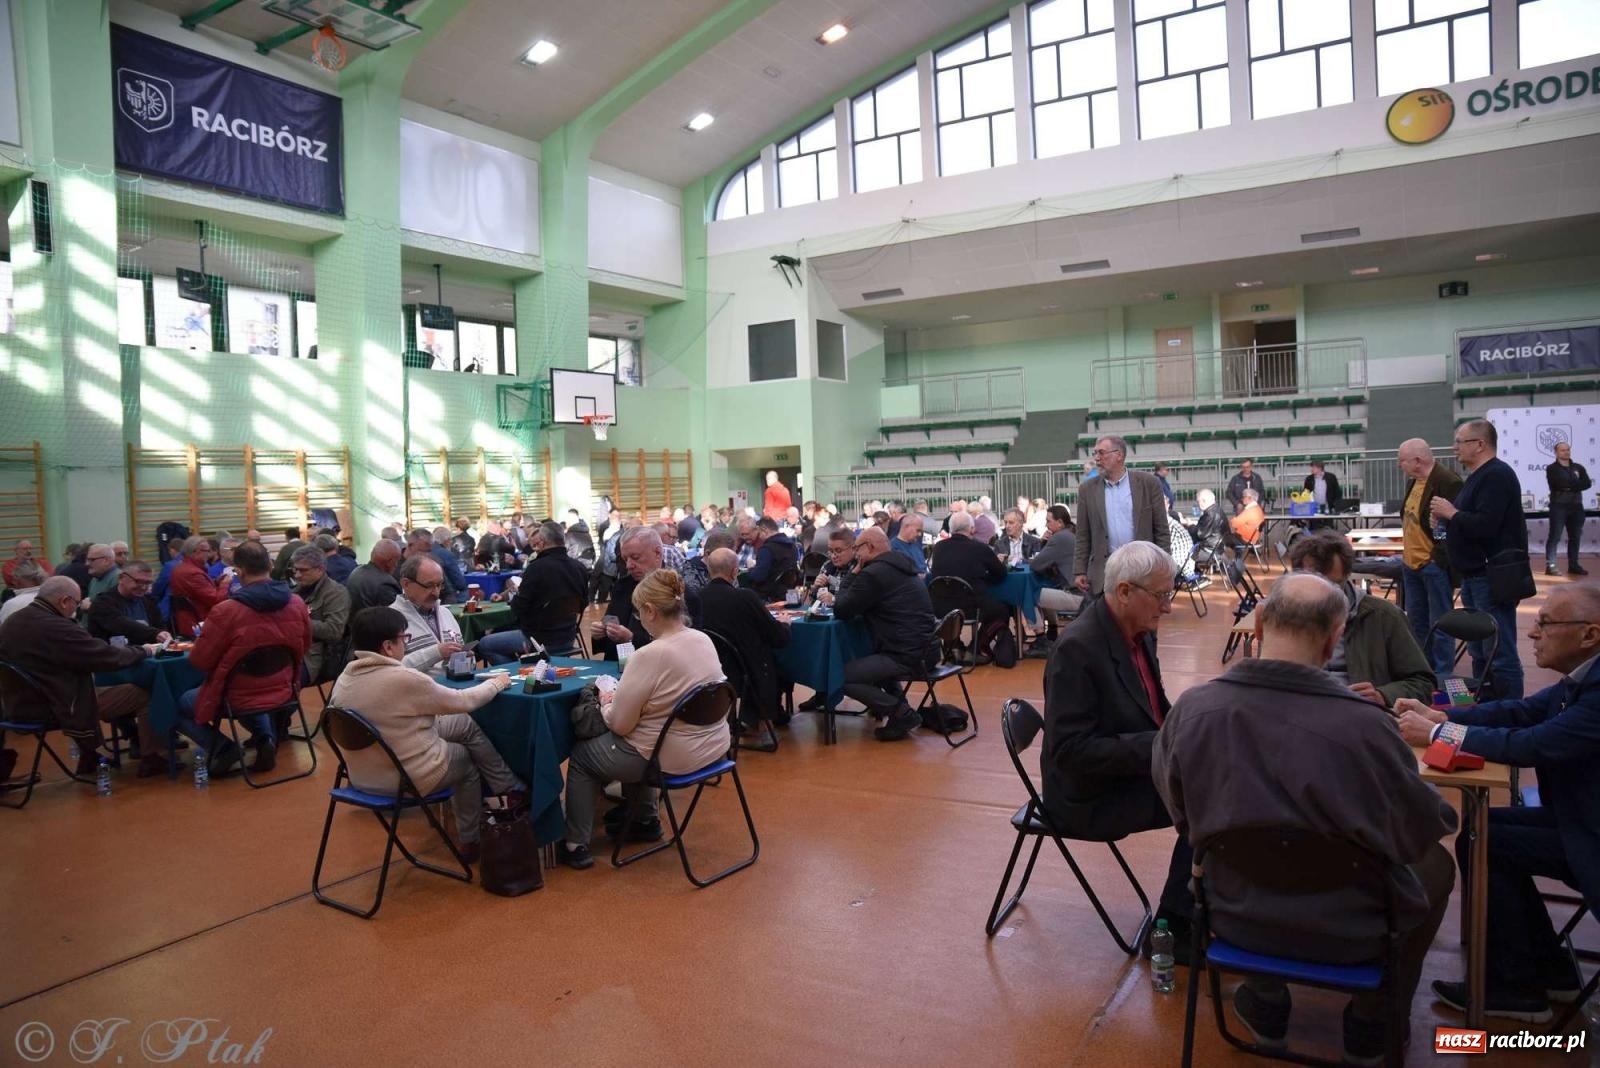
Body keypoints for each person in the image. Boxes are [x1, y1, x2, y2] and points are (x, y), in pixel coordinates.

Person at [1155, 572, 1456, 1061]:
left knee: (1238, 849)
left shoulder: (1191, 711)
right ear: (1335, 639)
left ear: (1257, 628)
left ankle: (1267, 1001)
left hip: (1235, 914)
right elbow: (1419, 829)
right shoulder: (1369, 729)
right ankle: (1373, 1017)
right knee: (1439, 867)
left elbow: (1180, 812)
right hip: (1353, 928)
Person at [1395, 583, 1600, 1022]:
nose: (1532, 634)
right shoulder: (1585, 677)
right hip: (1581, 818)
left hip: (1591, 835)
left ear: (1589, 635)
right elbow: (1521, 712)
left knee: (1485, 840)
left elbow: (1531, 744)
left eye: (1546, 624)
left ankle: (1518, 989)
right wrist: (1444, 716)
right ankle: (1547, 970)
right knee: (1484, 831)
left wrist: (1435, 735)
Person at [1041, 542, 1193, 946]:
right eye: (1161, 596)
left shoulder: (1136, 633)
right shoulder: (1078, 649)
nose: (1168, 606)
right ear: (1125, 591)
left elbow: (1157, 710)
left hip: (1126, 773)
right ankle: (1175, 930)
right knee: (1210, 803)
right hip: (1087, 797)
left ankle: (1193, 915)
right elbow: (1070, 752)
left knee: (1218, 788)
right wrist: (1160, 747)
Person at [558, 569, 728, 870]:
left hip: (670, 758)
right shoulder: (702, 639)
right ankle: (645, 818)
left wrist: (608, 699)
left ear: (649, 611)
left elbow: (620, 725)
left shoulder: (650, 654)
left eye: (638, 613)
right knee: (647, 732)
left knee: (585, 756)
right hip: (713, 748)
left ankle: (575, 843)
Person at [328, 606, 524, 863]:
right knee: (466, 759)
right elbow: (464, 700)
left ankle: (508, 787)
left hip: (362, 775)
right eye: (404, 639)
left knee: (463, 725)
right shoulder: (403, 680)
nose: (405, 645)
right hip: (405, 779)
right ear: (388, 646)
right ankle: (471, 839)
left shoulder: (345, 677)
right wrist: (497, 682)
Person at [0, 575, 162, 777]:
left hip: (16, 703)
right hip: (53, 705)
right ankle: (151, 758)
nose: (76, 609)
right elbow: (105, 656)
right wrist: (144, 650)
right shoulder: (56, 626)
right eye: (76, 603)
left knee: (98, 687)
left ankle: (91, 756)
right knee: (143, 694)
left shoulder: (15, 620)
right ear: (64, 601)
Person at [173, 541, 311, 777]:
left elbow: (200, 661)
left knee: (174, 706)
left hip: (237, 694)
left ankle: (224, 748)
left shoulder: (226, 611)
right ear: (269, 565)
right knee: (253, 685)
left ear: (240, 571)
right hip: (283, 689)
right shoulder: (297, 604)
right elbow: (305, 645)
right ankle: (265, 737)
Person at [1432, 418, 1527, 699]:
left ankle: (1510, 711)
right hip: (1475, 575)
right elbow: (1467, 524)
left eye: (1460, 441)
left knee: (1499, 651)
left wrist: (1452, 514)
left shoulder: (1496, 475)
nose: (1455, 447)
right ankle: (1487, 705)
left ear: (1480, 444)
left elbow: (1486, 524)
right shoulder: (1477, 477)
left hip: (1491, 576)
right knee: (1479, 650)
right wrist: (1444, 523)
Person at [1285, 531, 1436, 706]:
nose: (1323, 595)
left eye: (1333, 585)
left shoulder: (1383, 616)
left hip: (1362, 716)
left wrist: (1383, 695)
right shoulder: (1285, 616)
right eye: (1312, 584)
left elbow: (1424, 683)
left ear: (1348, 576)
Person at [825, 527, 937, 741]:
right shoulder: (902, 565)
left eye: (857, 548)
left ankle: (901, 713)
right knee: (873, 659)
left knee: (841, 676)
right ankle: (900, 710)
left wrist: (854, 571)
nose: (856, 554)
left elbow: (842, 608)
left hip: (905, 654)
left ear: (870, 547)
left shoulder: (874, 574)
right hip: (926, 647)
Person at [699, 548, 791, 733]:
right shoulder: (744, 597)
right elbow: (778, 637)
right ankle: (765, 721)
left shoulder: (697, 597)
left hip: (711, 668)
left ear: (709, 569)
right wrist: (785, 624)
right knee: (776, 659)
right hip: (747, 671)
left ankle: (748, 719)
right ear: (735, 572)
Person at [1397, 437, 1465, 676]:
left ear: (1417, 461)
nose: (1399, 465)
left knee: (1441, 624)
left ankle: (1443, 676)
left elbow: (1456, 526)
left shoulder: (1448, 482)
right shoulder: (1413, 481)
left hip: (1432, 566)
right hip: (1410, 565)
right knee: (1417, 623)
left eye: (1402, 460)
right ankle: (1423, 672)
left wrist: (1438, 558)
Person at [1073, 435, 1170, 597]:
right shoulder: (1087, 489)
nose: (1097, 458)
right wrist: (1080, 570)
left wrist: (1164, 566)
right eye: (1095, 453)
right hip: (1105, 571)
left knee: (1141, 620)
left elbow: (1161, 531)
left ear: (1119, 455)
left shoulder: (1149, 484)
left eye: (1101, 453)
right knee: (1107, 621)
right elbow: (1082, 534)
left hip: (1143, 568)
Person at [479, 521, 588, 664]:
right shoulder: (579, 568)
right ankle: (525, 669)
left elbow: (518, 609)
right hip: (568, 637)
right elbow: (584, 602)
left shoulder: (536, 568)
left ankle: (516, 673)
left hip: (538, 639)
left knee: (485, 644)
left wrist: (517, 594)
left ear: (542, 543)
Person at [591, 526, 700, 659]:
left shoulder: (681, 593)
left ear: (657, 553)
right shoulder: (622, 587)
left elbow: (684, 648)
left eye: (635, 557)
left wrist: (631, 639)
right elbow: (610, 627)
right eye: (625, 559)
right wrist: (601, 633)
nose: (629, 565)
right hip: (618, 667)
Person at [390, 556, 465, 673]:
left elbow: (460, 665)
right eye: (429, 586)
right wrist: (436, 652)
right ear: (406, 584)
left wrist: (465, 660)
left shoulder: (446, 614)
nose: (436, 592)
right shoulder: (390, 620)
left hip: (453, 688)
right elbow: (391, 671)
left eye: (439, 585)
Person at [291, 545, 351, 686]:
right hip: (292, 650)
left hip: (315, 657)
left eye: (303, 570)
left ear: (320, 569)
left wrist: (297, 623)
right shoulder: (295, 592)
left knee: (278, 681)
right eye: (295, 569)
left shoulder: (336, 593)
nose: (297, 575)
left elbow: (334, 630)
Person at [87, 561, 171, 646]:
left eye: (148, 583)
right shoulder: (102, 603)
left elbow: (160, 626)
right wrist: (155, 633)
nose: (143, 587)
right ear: (121, 578)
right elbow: (121, 625)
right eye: (138, 581)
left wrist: (164, 635)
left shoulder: (149, 602)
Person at [1545, 440, 1591, 576]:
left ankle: (1574, 565)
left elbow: (1587, 483)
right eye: (1563, 450)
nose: (1566, 452)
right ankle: (1551, 565)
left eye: (1568, 449)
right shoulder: (1552, 468)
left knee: (1575, 536)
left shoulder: (1578, 467)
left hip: (1577, 506)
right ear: (1556, 452)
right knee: (1555, 536)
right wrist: (1576, 485)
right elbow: (1557, 484)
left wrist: (1570, 486)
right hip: (1558, 506)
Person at [1031, 504, 1082, 624]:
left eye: (1048, 521)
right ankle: (1051, 631)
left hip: (1076, 595)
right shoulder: (1072, 532)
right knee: (1046, 590)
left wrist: (1043, 543)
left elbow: (1036, 565)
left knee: (1029, 593)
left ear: (1059, 522)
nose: (1046, 525)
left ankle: (1041, 636)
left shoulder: (1060, 537)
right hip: (1086, 592)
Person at [169, 535, 228, 636]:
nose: (209, 555)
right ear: (196, 551)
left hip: (189, 621)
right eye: (207, 551)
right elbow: (216, 600)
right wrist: (225, 584)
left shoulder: (182, 568)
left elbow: (195, 593)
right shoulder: (192, 573)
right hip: (198, 624)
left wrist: (215, 583)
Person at [742, 517, 798, 601]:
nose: (759, 536)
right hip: (789, 593)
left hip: (769, 596)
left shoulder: (766, 550)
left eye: (759, 532)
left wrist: (751, 569)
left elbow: (758, 577)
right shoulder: (792, 546)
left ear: (765, 530)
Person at [347, 539, 403, 616]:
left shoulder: (356, 572)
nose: (396, 565)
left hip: (355, 625)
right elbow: (396, 616)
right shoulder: (386, 584)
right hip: (374, 626)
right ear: (389, 562)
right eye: (396, 560)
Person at [681, 529, 734, 597]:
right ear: (708, 553)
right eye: (724, 556)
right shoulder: (691, 570)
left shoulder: (728, 567)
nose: (729, 560)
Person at [0, 559, 44, 624]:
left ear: (19, 578)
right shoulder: (52, 598)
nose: (13, 582)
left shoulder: (11, 604)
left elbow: (4, 630)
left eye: (14, 578)